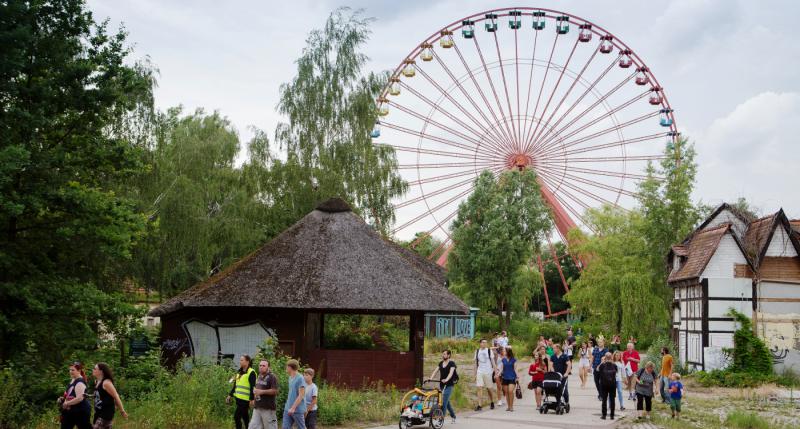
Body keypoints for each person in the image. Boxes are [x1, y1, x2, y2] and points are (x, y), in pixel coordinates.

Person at [91, 362, 127, 429]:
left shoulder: (106, 383)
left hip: (106, 412)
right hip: (98, 412)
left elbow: (116, 396)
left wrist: (122, 410)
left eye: (95, 369)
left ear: (101, 371)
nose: (93, 370)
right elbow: (99, 395)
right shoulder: (97, 381)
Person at [227, 355, 256, 429]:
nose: (240, 361)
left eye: (242, 360)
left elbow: (253, 387)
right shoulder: (239, 372)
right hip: (238, 399)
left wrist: (251, 400)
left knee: (236, 417)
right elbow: (235, 385)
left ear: (247, 361)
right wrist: (230, 395)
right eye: (240, 360)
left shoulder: (251, 372)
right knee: (245, 416)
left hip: (245, 400)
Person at [59, 361, 91, 429]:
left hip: (81, 411)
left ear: (79, 370)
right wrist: (63, 399)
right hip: (71, 411)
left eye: (73, 370)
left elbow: (80, 398)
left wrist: (67, 403)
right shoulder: (73, 379)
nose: (70, 371)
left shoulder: (80, 382)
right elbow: (70, 393)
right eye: (70, 370)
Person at [429, 350, 457, 424]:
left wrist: (446, 379)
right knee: (447, 402)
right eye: (443, 354)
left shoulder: (452, 363)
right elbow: (435, 371)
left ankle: (441, 419)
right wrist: (430, 378)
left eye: (444, 354)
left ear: (448, 355)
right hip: (442, 385)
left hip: (449, 385)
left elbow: (451, 373)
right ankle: (453, 416)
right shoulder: (441, 363)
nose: (443, 355)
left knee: (443, 402)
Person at [249, 359, 279, 429]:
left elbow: (275, 391)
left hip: (268, 408)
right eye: (260, 365)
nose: (261, 367)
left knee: (270, 427)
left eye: (264, 365)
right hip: (257, 407)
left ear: (268, 367)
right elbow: (257, 389)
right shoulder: (259, 376)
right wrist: (254, 396)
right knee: (253, 427)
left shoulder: (272, 377)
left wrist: (261, 392)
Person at [282, 359, 307, 429]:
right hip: (287, 408)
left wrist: (293, 408)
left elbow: (301, 395)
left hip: (297, 410)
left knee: (301, 427)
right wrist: (289, 407)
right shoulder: (290, 377)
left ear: (290, 367)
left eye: (287, 366)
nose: (286, 368)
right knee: (285, 427)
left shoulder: (300, 378)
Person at [473, 339, 496, 411]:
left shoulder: (489, 351)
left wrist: (496, 372)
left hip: (488, 372)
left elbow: (493, 362)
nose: (485, 343)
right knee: (479, 387)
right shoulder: (477, 351)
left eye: (486, 342)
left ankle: (492, 401)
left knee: (489, 388)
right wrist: (475, 374)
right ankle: (480, 405)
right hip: (480, 371)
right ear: (480, 343)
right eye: (483, 342)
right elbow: (475, 364)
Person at [597, 353, 618, 420]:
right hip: (612, 385)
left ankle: (604, 415)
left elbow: (597, 370)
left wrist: (602, 362)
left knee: (604, 401)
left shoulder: (602, 365)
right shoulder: (614, 365)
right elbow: (616, 372)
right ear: (611, 357)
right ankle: (612, 416)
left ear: (605, 358)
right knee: (612, 400)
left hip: (604, 385)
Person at [500, 346, 518, 412]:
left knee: (510, 391)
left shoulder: (514, 359)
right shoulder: (503, 359)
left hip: (512, 377)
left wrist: (517, 377)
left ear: (508, 352)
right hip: (505, 377)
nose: (503, 352)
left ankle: (511, 406)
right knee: (507, 392)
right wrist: (497, 374)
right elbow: (501, 369)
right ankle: (508, 406)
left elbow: (515, 369)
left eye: (505, 351)